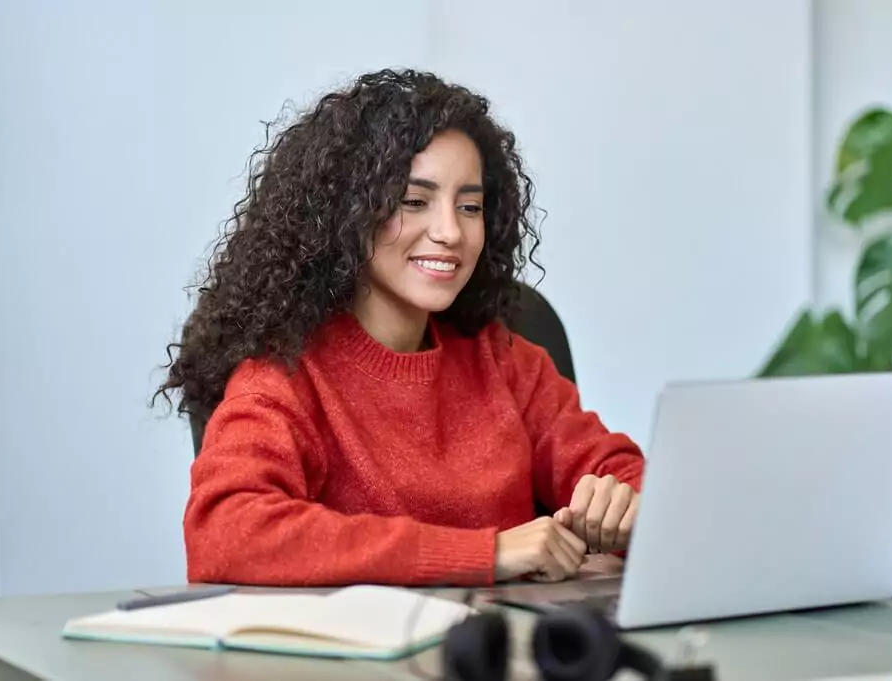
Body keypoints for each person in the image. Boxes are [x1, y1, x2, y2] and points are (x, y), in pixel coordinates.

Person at [155, 69, 646, 588]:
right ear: (347, 213)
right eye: (414, 202)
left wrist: (624, 511)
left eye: (470, 206)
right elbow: (227, 534)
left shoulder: (504, 359)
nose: (450, 232)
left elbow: (634, 484)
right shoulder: (284, 374)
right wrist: (487, 553)